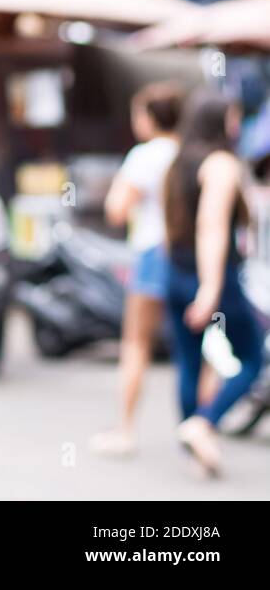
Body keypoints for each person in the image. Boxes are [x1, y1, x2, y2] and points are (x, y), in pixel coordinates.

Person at [162, 89, 266, 476]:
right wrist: (210, 286)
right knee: (253, 358)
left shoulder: (179, 161)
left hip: (176, 271)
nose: (237, 124)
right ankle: (205, 422)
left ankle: (195, 449)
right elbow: (212, 226)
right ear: (219, 120)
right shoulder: (220, 163)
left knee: (189, 361)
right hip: (213, 277)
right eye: (233, 117)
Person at [91, 82, 183, 457]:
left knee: (136, 344)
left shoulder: (145, 156)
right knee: (197, 345)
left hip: (150, 254)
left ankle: (125, 430)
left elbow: (116, 207)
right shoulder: (189, 153)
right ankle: (202, 424)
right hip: (187, 257)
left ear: (148, 117)